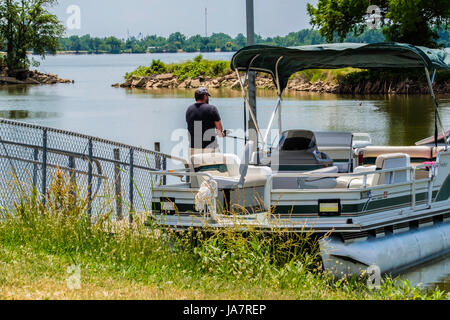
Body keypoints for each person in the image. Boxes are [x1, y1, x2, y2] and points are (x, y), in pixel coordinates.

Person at [186, 88, 226, 156]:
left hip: (193, 149)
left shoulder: (189, 109)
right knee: (218, 165)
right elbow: (219, 132)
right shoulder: (212, 109)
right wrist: (223, 134)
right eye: (207, 96)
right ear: (205, 96)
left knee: (195, 167)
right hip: (209, 149)